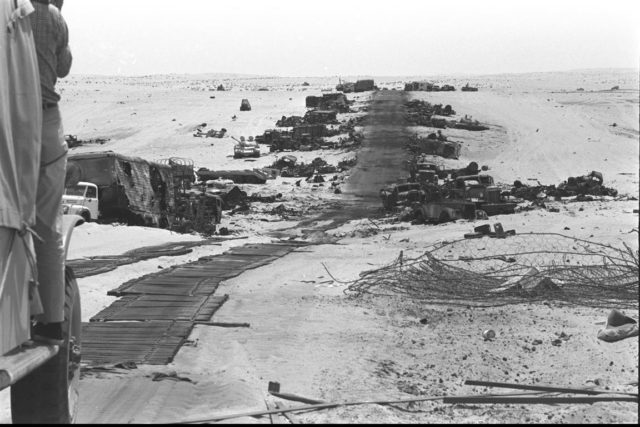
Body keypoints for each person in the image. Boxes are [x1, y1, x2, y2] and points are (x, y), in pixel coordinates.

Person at [29, 0, 72, 344]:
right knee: (47, 226)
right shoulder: (51, 16)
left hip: (8, 122)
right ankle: (53, 320)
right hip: (43, 123)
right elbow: (63, 67)